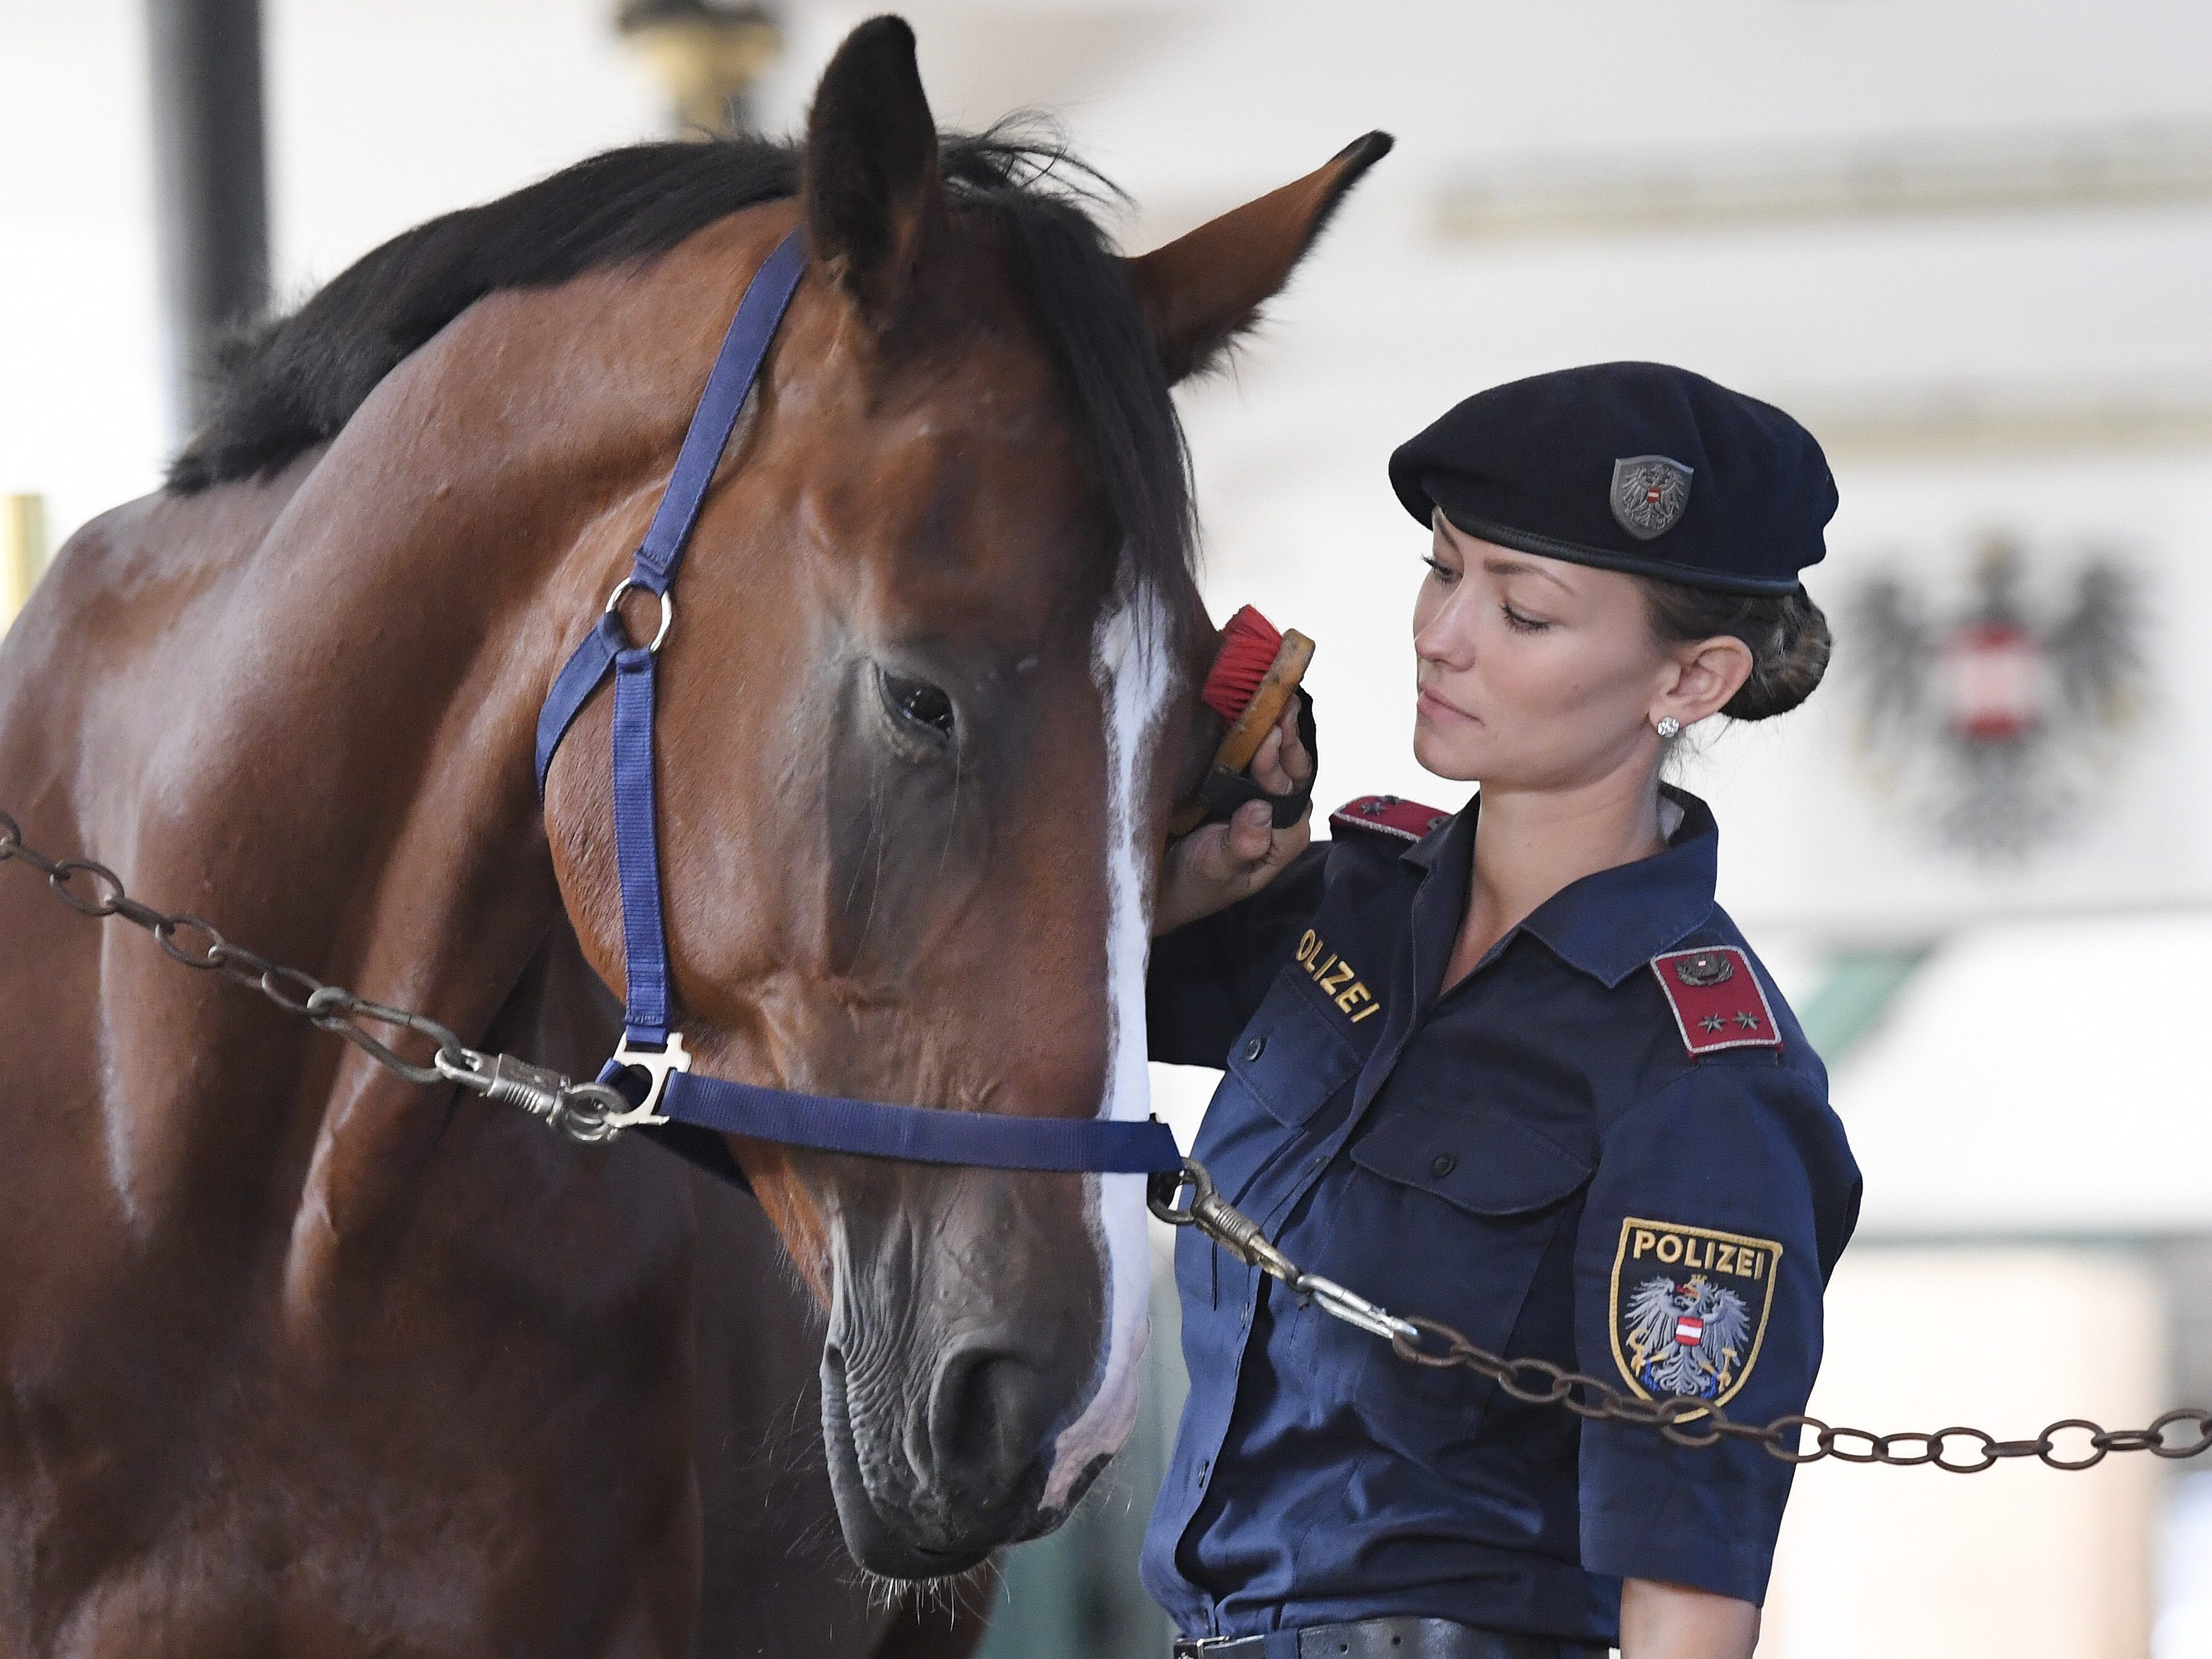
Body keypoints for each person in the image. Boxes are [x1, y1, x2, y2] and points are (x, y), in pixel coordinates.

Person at [1141, 363, 1863, 1659]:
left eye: (1521, 612)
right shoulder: (1343, 905)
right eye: (1441, 567)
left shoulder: (1701, 1079)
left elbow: (1686, 1590)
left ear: (1690, 680)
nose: (1441, 632)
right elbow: (980, 1021)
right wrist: (1165, 879)